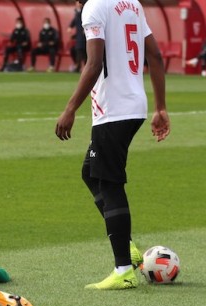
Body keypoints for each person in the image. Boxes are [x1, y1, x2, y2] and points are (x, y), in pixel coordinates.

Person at [55, 0, 170, 290]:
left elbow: (94, 63)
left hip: (113, 110)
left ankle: (123, 270)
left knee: (109, 184)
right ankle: (127, 245)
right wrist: (160, 107)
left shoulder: (94, 8)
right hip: (135, 106)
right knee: (90, 173)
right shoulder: (132, 4)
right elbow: (155, 55)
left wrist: (70, 110)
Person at [68, 0, 87, 72]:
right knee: (78, 50)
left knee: (85, 51)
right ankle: (78, 66)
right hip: (79, 35)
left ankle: (84, 67)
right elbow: (75, 20)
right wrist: (70, 26)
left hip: (84, 35)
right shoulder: (77, 12)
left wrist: (85, 28)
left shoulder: (85, 11)